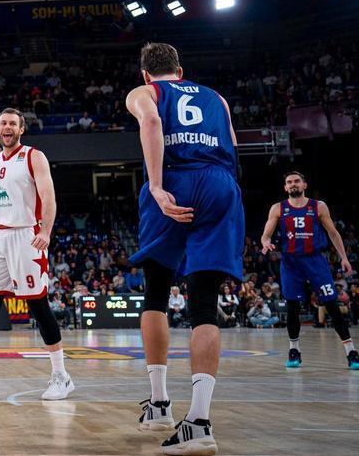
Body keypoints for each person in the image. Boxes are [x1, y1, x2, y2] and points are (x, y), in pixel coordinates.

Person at [127, 42, 242, 454]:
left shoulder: (145, 93)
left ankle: (159, 403)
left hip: (176, 178)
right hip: (220, 182)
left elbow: (152, 125)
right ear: (181, 69)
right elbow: (231, 144)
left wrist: (156, 186)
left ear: (146, 74)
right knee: (204, 303)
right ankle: (199, 421)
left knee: (156, 293)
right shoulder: (217, 98)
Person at [0, 108, 74, 402]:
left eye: (12, 124)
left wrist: (45, 231)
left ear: (21, 129)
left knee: (38, 305)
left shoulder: (34, 157)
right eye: (3, 123)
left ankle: (61, 375)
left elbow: (49, 198)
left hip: (26, 235)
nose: (7, 128)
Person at [259, 171, 357, 369]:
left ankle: (351, 352)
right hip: (291, 263)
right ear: (285, 187)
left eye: (296, 181)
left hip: (315, 261)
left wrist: (344, 258)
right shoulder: (278, 208)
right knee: (293, 307)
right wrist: (266, 242)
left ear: (304, 185)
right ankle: (294, 350)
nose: (293, 184)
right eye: (289, 182)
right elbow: (265, 235)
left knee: (331, 305)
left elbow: (333, 233)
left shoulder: (318, 206)